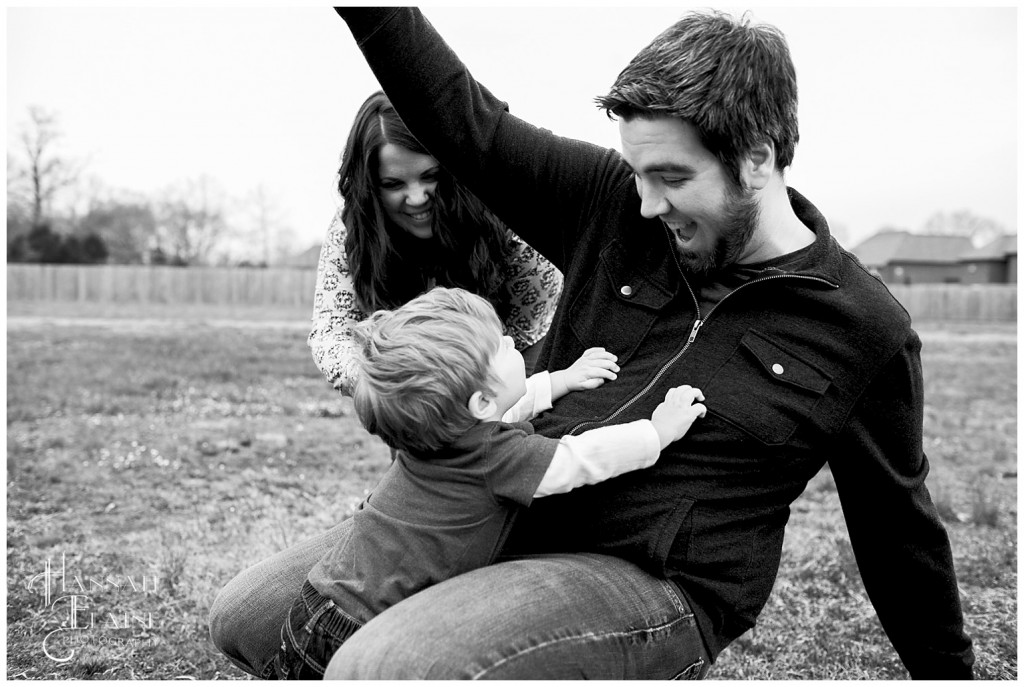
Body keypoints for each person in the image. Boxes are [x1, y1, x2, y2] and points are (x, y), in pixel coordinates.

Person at [210, 8, 974, 679]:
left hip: (643, 579)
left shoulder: (863, 326)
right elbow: (464, 120)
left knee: (386, 666)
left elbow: (898, 532)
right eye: (638, 171)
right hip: (502, 503)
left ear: (761, 155)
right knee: (249, 617)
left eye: (671, 176)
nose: (646, 202)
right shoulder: (612, 202)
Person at [271, 286, 707, 678]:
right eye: (500, 347)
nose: (512, 341)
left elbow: (500, 413)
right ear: (478, 400)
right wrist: (657, 432)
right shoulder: (495, 460)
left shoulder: (434, 438)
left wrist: (561, 381)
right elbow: (580, 459)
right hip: (357, 630)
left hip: (317, 602)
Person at [309, 90, 563, 394]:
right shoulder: (353, 228)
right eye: (393, 184)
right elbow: (332, 329)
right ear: (370, 187)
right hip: (409, 379)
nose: (416, 198)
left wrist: (463, 376)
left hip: (511, 355)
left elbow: (530, 320)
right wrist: (380, 382)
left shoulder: (509, 218)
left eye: (430, 176)